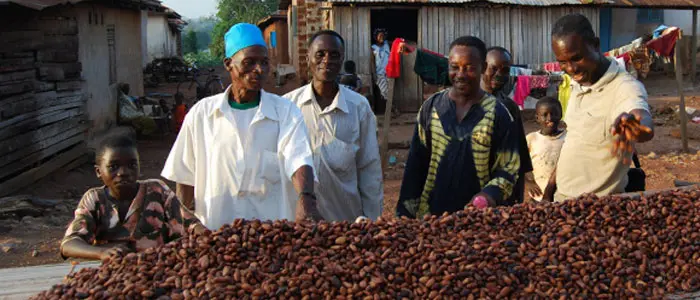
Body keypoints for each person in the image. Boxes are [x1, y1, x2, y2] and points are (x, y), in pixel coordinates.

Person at [161, 23, 321, 229]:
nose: (259, 70)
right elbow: (184, 176)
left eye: (264, 62)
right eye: (249, 62)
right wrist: (185, 224)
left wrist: (306, 199)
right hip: (215, 234)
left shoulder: (286, 112)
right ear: (228, 64)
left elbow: (299, 158)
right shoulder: (202, 115)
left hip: (272, 234)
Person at [396, 36, 521, 218]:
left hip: (478, 222)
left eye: (469, 67)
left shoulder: (499, 114)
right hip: (431, 217)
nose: (460, 74)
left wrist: (488, 196)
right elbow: (416, 165)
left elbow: (509, 168)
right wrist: (405, 212)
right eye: (455, 67)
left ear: (483, 68)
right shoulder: (431, 108)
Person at [546, 14, 654, 202]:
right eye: (563, 62)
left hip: (598, 209)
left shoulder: (624, 87)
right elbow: (573, 142)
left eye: (577, 58)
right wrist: (549, 191)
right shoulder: (578, 84)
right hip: (561, 201)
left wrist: (634, 126)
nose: (571, 69)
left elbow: (642, 119)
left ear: (596, 45)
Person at [284, 30, 383, 222]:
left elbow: (369, 169)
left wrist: (372, 221)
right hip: (298, 227)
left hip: (344, 224)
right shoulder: (288, 107)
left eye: (334, 55)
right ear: (308, 58)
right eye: (320, 54)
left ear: (342, 60)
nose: (327, 60)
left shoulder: (359, 108)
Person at [60, 135, 204, 261]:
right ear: (98, 172)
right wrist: (101, 252)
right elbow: (68, 244)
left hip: (157, 269)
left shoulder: (156, 190)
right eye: (113, 166)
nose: (123, 172)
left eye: (132, 165)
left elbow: (190, 224)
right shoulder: (95, 199)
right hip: (112, 273)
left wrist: (212, 236)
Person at [481, 46, 533, 205]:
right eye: (494, 68)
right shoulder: (469, 103)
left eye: (505, 70)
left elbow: (520, 147)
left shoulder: (509, 106)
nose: (499, 75)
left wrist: (521, 184)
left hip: (505, 181)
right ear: (483, 67)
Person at [525, 97, 566, 201]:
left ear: (561, 115)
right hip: (538, 195)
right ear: (537, 118)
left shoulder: (568, 138)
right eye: (544, 115)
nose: (550, 118)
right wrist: (528, 182)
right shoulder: (532, 139)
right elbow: (518, 164)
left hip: (562, 194)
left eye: (554, 114)